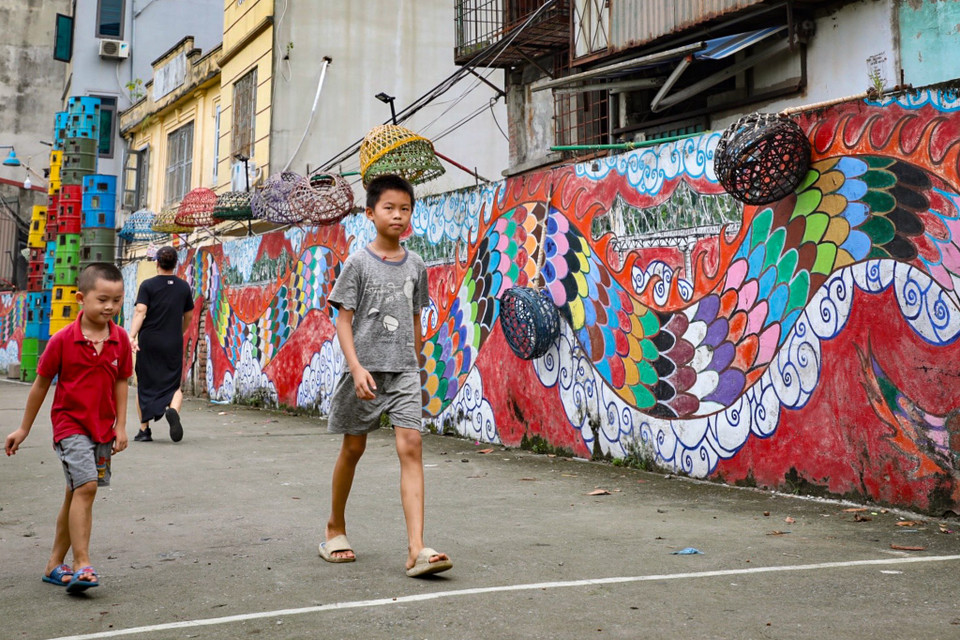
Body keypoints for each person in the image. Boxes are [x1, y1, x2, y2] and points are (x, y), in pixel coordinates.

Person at [320, 174, 453, 578]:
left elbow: (415, 318)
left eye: (405, 208)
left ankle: (417, 549)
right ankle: (334, 529)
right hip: (364, 373)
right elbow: (343, 321)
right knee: (353, 450)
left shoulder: (416, 264)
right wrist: (355, 367)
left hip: (404, 373)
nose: (398, 215)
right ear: (370, 213)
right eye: (389, 208)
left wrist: (417, 360)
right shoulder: (358, 263)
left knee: (410, 445)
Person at [5, 263, 133, 594]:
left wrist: (121, 426)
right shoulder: (62, 340)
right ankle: (82, 564)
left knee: (75, 492)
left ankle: (52, 565)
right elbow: (40, 386)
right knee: (87, 487)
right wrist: (23, 429)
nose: (109, 307)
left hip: (102, 430)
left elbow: (121, 382)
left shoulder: (119, 338)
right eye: (102, 299)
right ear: (81, 298)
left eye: (117, 300)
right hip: (69, 425)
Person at [129, 246, 194, 443]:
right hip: (172, 341)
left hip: (149, 341)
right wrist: (179, 332)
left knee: (145, 383)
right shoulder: (183, 287)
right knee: (173, 384)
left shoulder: (147, 286)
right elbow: (189, 316)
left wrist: (131, 336)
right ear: (176, 263)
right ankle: (172, 410)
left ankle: (144, 430)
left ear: (157, 263)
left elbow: (141, 311)